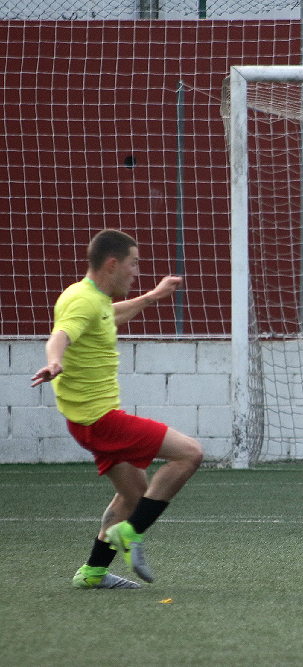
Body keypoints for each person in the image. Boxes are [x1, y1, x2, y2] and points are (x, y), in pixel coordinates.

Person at [30, 229, 204, 589]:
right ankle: (131, 532)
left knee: (135, 494)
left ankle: (93, 573)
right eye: (133, 264)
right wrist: (54, 360)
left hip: (87, 421)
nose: (136, 271)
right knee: (190, 454)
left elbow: (108, 315)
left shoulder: (90, 298)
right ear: (112, 264)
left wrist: (152, 296)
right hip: (100, 421)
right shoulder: (83, 301)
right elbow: (61, 335)